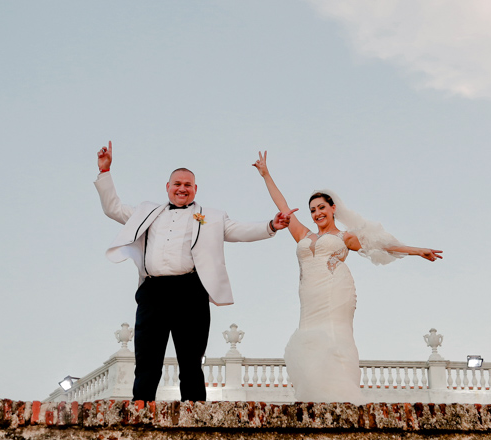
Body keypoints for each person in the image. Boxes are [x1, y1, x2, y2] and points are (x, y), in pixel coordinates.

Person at [94, 141, 295, 402]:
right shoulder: (146, 211)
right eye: (177, 184)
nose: (182, 188)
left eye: (188, 185)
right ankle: (141, 409)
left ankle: (195, 412)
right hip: (152, 291)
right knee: (146, 357)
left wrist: (271, 225)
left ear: (195, 189)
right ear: (168, 187)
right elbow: (113, 208)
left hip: (191, 290)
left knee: (190, 360)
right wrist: (105, 172)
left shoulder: (211, 216)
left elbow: (239, 230)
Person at [252, 151, 442, 403]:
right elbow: (283, 206)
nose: (317, 213)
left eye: (321, 207)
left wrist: (418, 251)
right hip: (309, 296)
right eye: (312, 210)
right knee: (309, 339)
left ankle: (341, 395)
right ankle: (314, 395)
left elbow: (382, 245)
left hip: (335, 292)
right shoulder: (302, 234)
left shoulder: (345, 237)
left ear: (333, 208)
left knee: (333, 336)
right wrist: (266, 174)